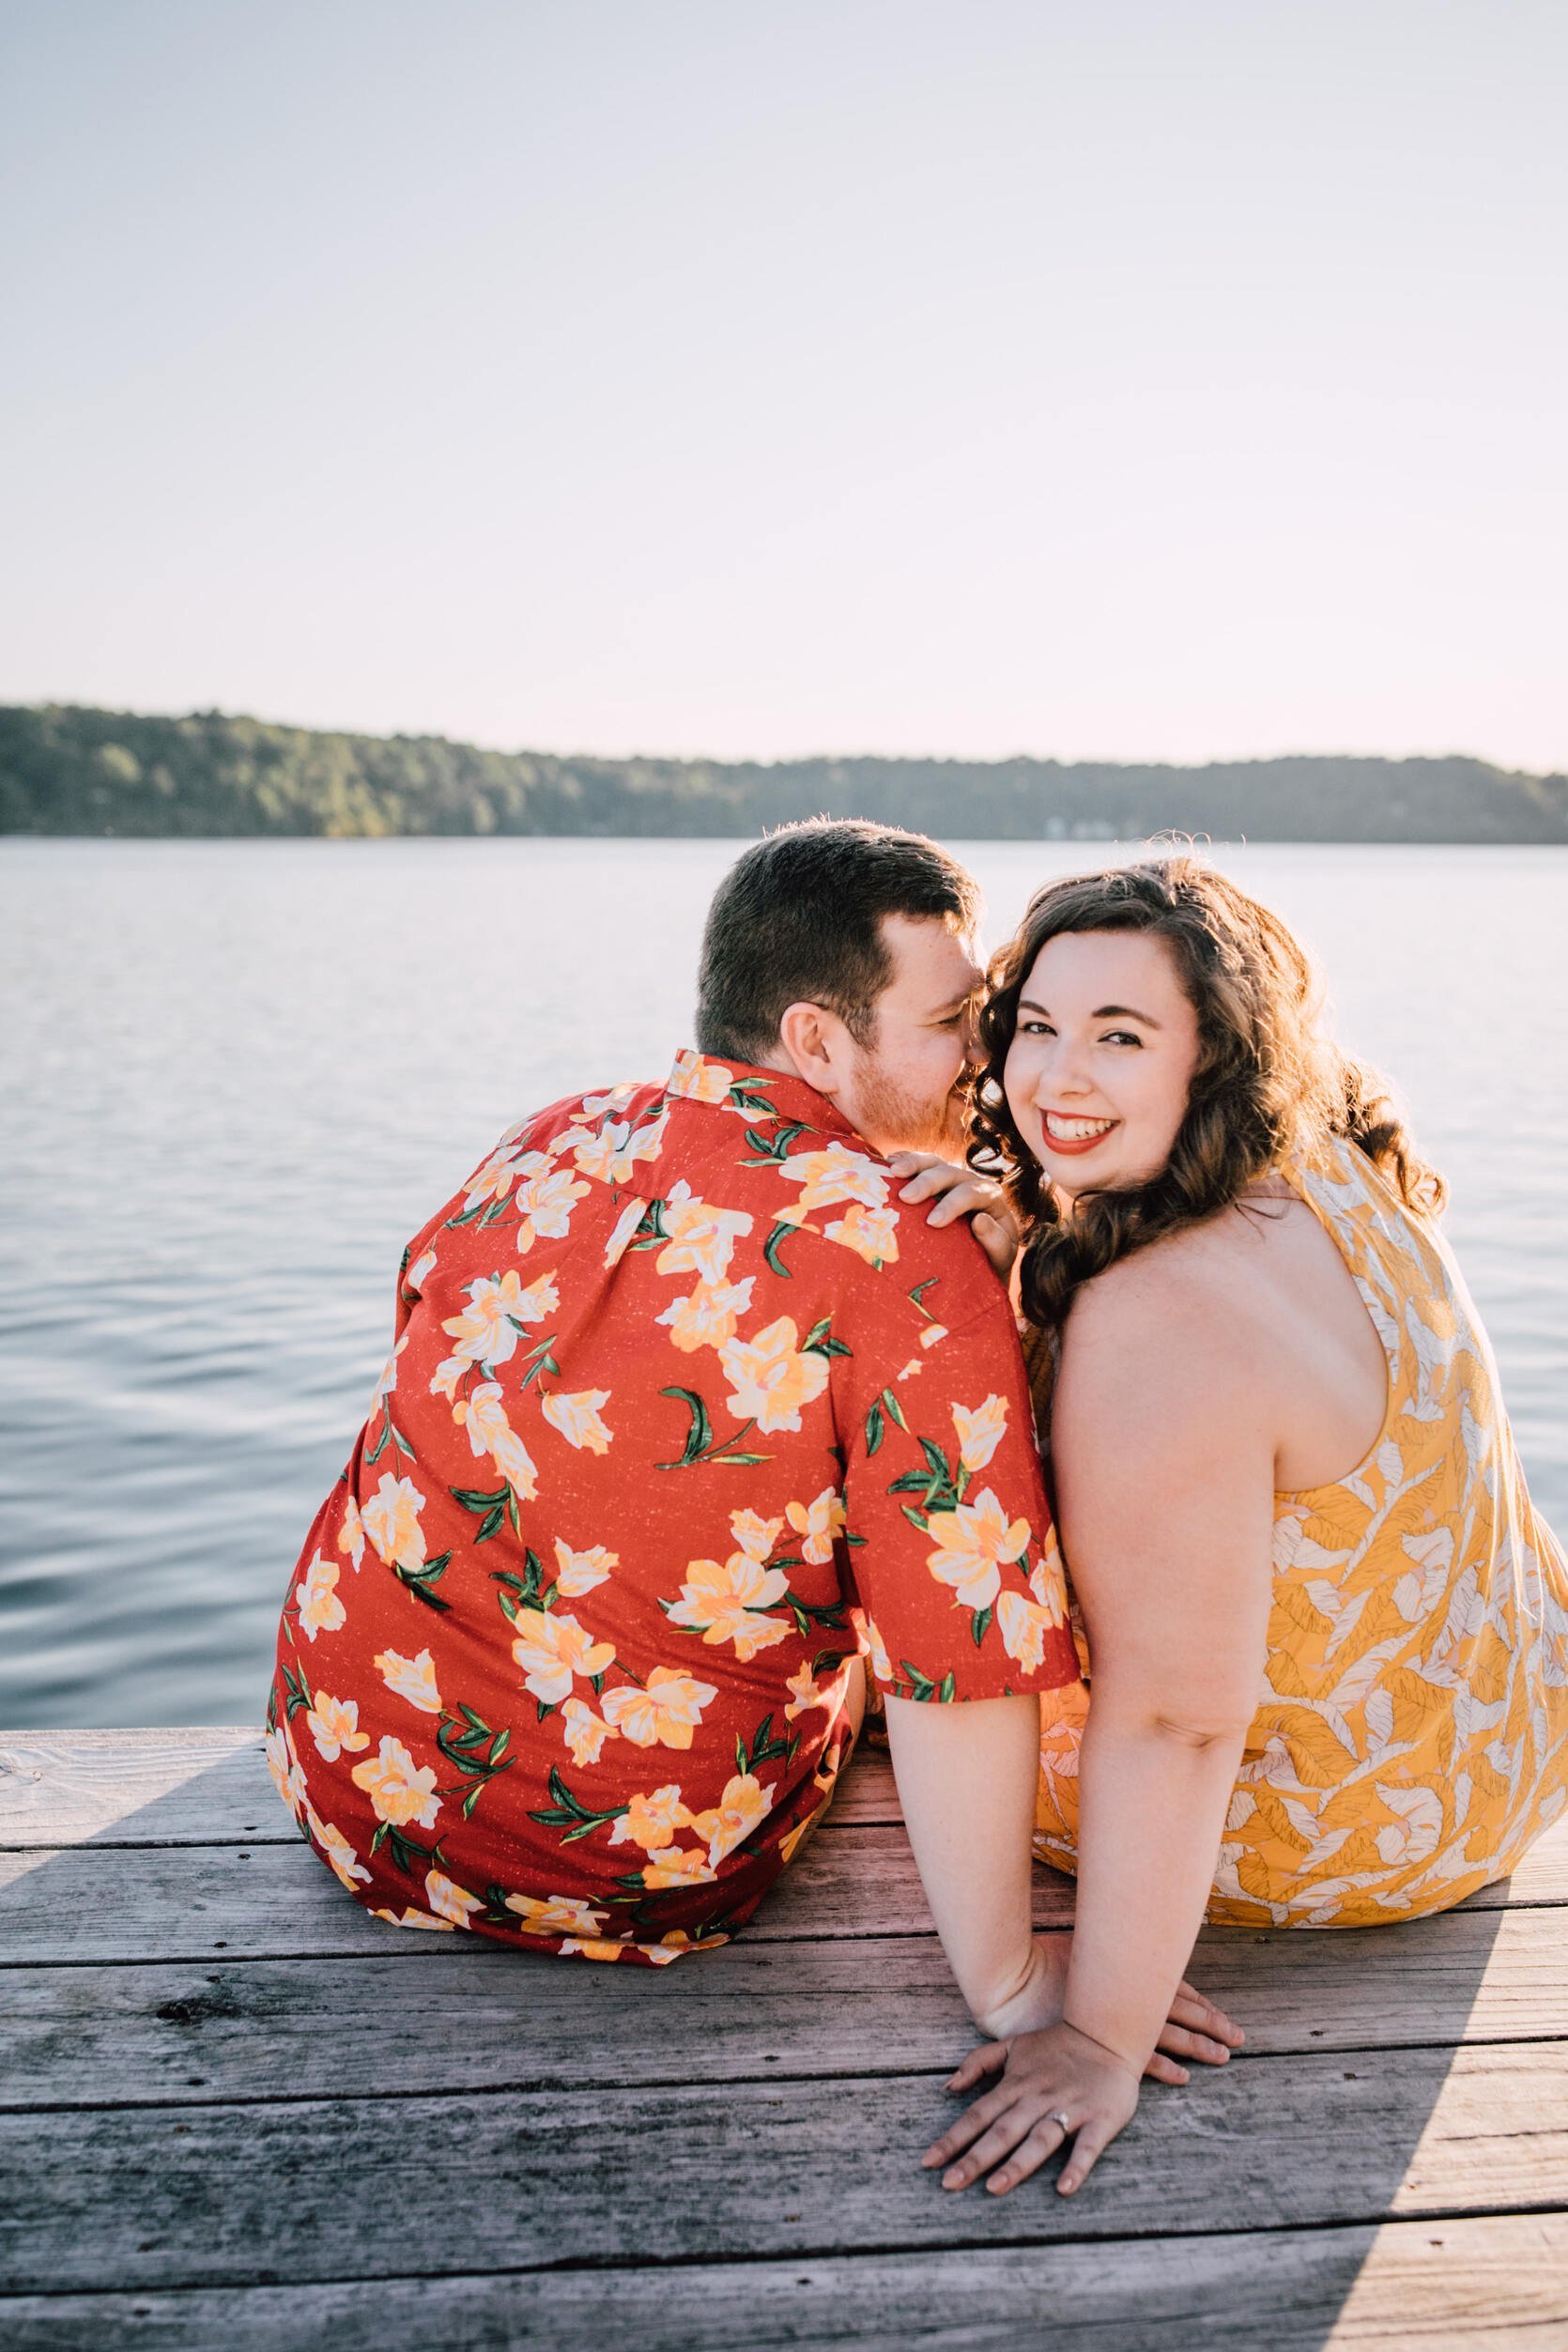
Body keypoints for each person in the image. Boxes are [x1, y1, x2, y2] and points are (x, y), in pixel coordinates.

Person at [265, 821, 1242, 2078]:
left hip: (338, 1780)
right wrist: (1009, 1984)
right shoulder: (904, 1251)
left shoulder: (543, 1141)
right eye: (954, 1023)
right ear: (814, 1039)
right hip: (627, 1864)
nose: (988, 1064)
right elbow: (962, 1661)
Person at [907, 854, 1568, 2199]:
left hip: (1358, 1830)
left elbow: (1175, 1718)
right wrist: (1036, 1237)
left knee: (927, 1629)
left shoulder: (1159, 1314)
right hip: (1497, 1736)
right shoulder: (1323, 1155)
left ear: (1211, 1053)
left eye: (1119, 1035)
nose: (1054, 1079)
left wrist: (1096, 2032)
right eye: (1034, 1026)